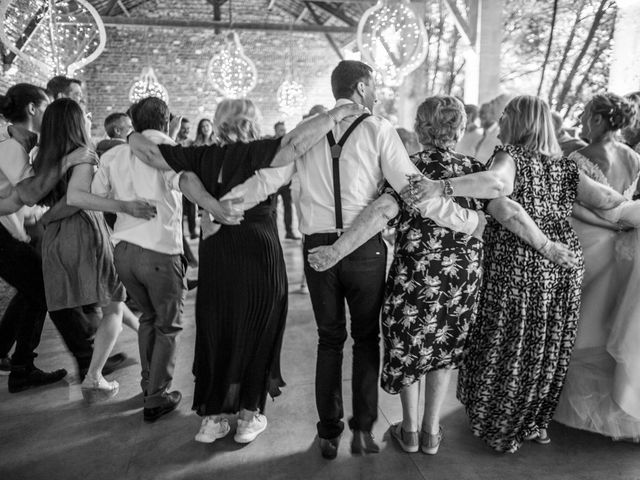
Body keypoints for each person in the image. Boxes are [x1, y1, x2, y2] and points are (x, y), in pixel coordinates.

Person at [218, 60, 486, 459]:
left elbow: (268, 180)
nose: (377, 92)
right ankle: (363, 431)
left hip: (317, 248)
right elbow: (413, 191)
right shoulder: (379, 130)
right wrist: (469, 222)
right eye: (374, 85)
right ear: (361, 87)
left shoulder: (307, 134)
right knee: (365, 339)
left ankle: (328, 433)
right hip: (366, 249)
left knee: (329, 340)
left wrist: (222, 205)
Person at [305, 95, 576, 455]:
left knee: (410, 348)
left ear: (420, 128)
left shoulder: (408, 168)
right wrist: (547, 247)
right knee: (445, 349)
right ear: (460, 129)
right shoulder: (474, 168)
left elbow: (383, 211)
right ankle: (432, 433)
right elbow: (507, 210)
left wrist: (337, 250)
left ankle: (411, 430)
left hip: (414, 277)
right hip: (461, 281)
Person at [127, 96, 365, 445]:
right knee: (260, 327)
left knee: (217, 325)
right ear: (253, 121)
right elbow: (297, 142)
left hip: (219, 253)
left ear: (219, 121)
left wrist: (134, 130)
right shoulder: (261, 151)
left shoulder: (201, 155)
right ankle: (248, 417)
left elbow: (144, 150)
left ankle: (211, 419)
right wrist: (337, 112)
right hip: (259, 251)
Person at [449, 95, 640, 453]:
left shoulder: (510, 157)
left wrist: (445, 186)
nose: (502, 119)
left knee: (506, 341)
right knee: (547, 347)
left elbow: (497, 186)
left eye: (507, 114)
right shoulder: (565, 169)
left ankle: (499, 426)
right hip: (564, 266)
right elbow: (609, 202)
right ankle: (535, 423)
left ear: (519, 122)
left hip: (519, 264)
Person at [34, 98, 156, 402]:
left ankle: (145, 335)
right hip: (83, 231)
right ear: (76, 123)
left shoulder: (43, 156)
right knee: (113, 303)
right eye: (85, 117)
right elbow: (78, 198)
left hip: (55, 238)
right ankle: (94, 375)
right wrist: (124, 206)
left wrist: (46, 219)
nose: (90, 120)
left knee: (113, 295)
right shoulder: (84, 154)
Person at [92, 97, 186, 421]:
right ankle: (157, 398)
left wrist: (125, 207)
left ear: (133, 122)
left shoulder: (114, 153)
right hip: (159, 249)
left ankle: (149, 386)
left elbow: (96, 196)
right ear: (167, 120)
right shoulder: (170, 150)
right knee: (169, 324)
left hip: (124, 251)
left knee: (148, 318)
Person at [554, 93, 640, 441]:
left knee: (582, 321)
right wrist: (620, 226)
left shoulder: (581, 156)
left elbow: (571, 205)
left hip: (591, 241)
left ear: (601, 120)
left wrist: (609, 226)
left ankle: (575, 407)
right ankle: (614, 407)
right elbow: (628, 202)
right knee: (611, 322)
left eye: (587, 114)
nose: (583, 120)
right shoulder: (634, 157)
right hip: (625, 246)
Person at [0, 84, 69, 392]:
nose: (48, 113)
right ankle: (22, 368)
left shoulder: (15, 142)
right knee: (41, 286)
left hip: (7, 226)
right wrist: (66, 164)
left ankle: (15, 362)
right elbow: (28, 193)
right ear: (32, 108)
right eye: (45, 107)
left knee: (35, 286)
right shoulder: (10, 145)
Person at [272, 121, 298, 240]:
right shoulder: (270, 144)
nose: (284, 132)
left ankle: (289, 232)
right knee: (273, 209)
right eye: (281, 130)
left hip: (287, 181)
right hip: (273, 182)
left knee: (288, 207)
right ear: (276, 131)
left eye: (284, 129)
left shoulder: (289, 143)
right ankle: (274, 233)